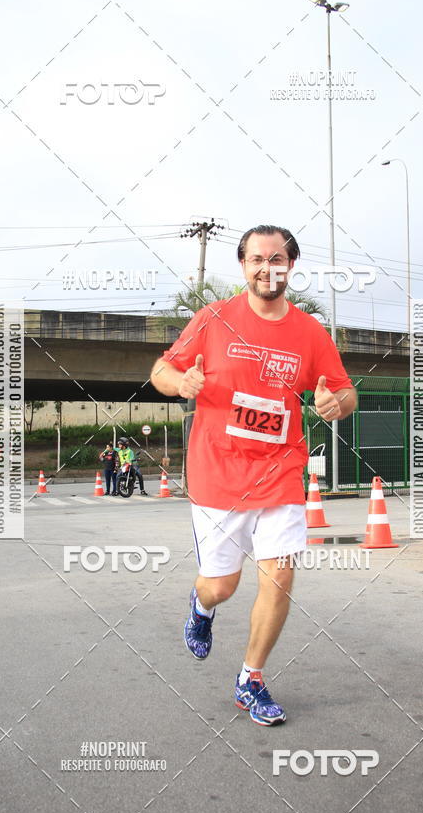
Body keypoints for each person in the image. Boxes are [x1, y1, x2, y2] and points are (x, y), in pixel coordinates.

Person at [150, 224, 356, 725]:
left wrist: (336, 403)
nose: (269, 267)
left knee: (280, 577)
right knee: (221, 586)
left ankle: (251, 679)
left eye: (279, 259)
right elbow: (160, 371)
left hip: (281, 473)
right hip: (218, 475)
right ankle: (202, 607)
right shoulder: (214, 318)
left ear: (291, 266)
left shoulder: (310, 333)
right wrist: (182, 383)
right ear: (243, 266)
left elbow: (346, 393)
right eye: (258, 258)